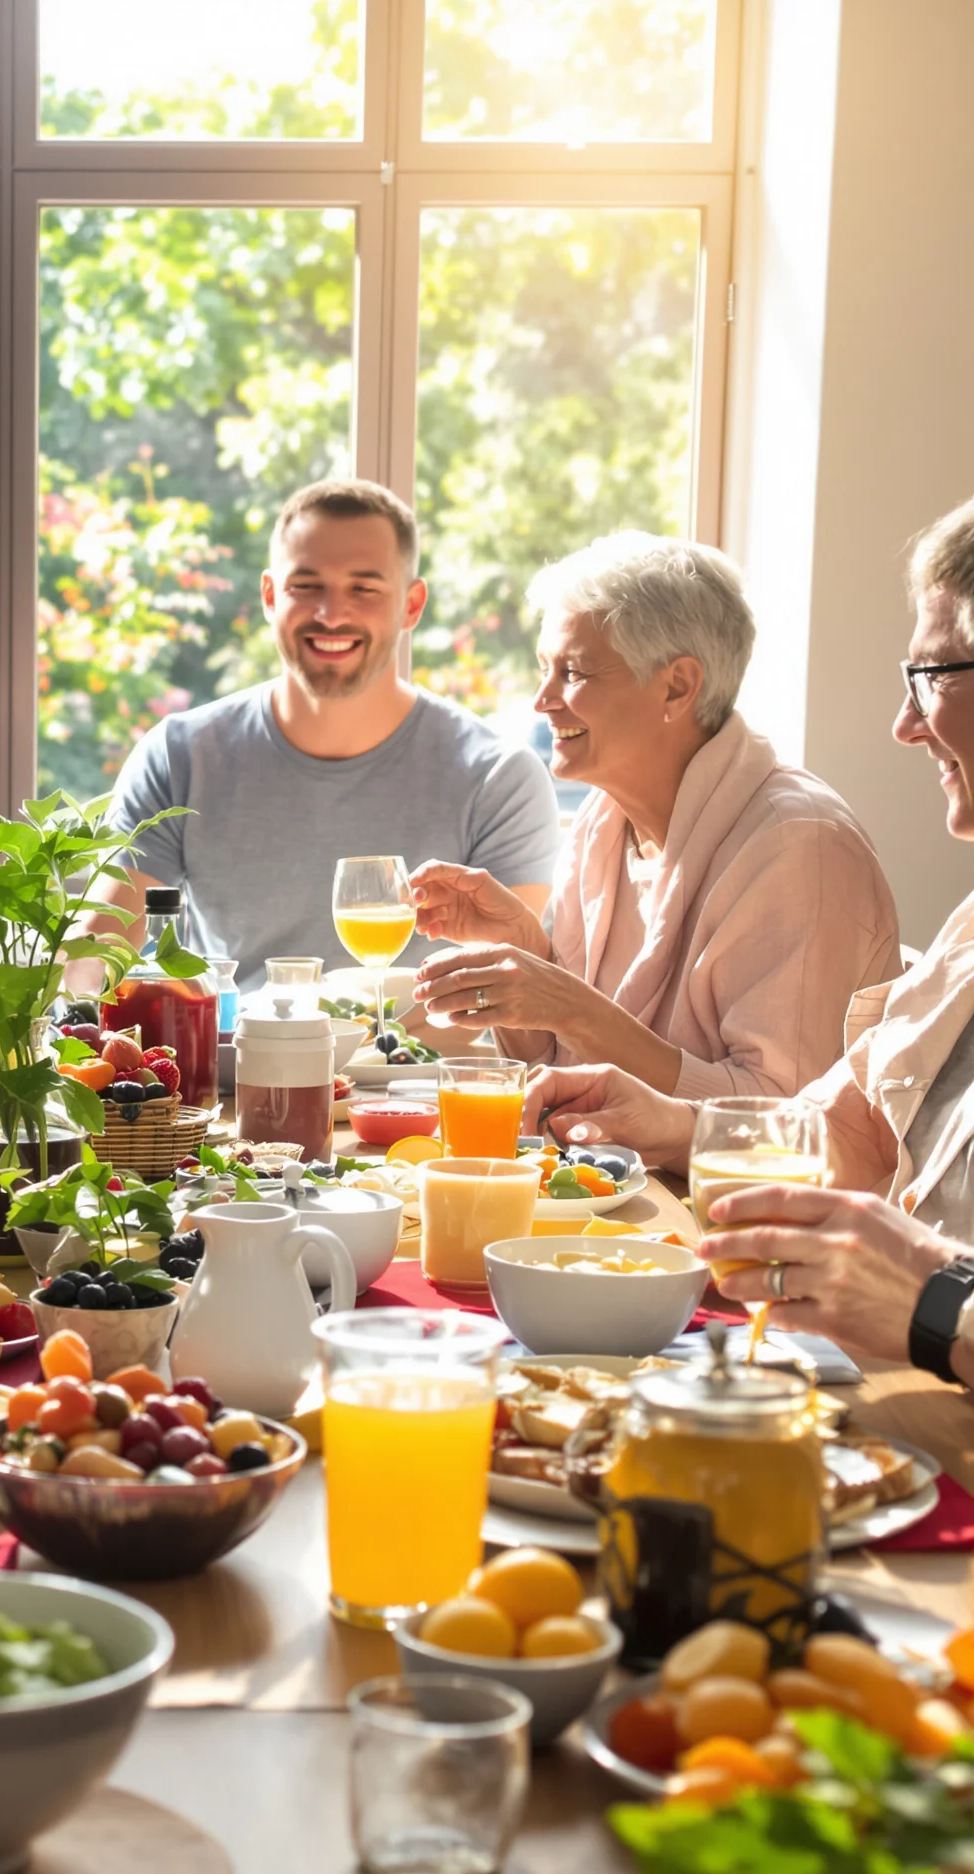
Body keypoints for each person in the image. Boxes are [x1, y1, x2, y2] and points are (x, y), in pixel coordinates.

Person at [526, 495, 974, 1379]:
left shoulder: (798, 841)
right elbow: (842, 1125)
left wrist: (935, 1300)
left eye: (933, 676)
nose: (904, 725)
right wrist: (676, 1123)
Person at [410, 533, 899, 1097]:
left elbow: (780, 1124)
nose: (542, 699)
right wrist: (525, 951)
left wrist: (575, 1011)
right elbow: (557, 1069)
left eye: (573, 672)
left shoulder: (800, 849)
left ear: (677, 686)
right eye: (545, 669)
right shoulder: (603, 822)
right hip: (606, 1175)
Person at [81, 479, 561, 986]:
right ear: (270, 596)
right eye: (305, 587)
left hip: (417, 1064)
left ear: (412, 605)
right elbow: (95, 952)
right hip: (232, 1061)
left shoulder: (498, 777)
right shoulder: (179, 757)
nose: (332, 614)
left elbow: (513, 986)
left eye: (365, 589)